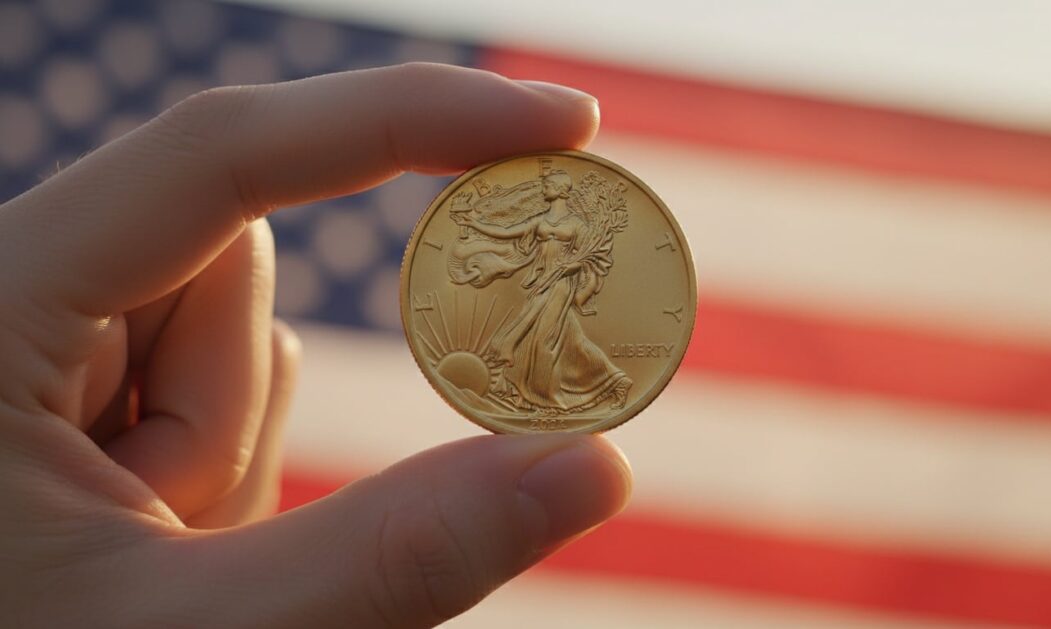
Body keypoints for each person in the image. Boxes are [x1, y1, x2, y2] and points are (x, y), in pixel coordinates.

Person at [0, 63, 632, 627]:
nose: (551, 193)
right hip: (536, 283)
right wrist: (488, 229)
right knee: (529, 339)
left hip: (557, 287)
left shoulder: (575, 224)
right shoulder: (545, 214)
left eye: (555, 193)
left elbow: (570, 251)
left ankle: (580, 380)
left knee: (549, 337)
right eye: (548, 190)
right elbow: (517, 226)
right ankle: (548, 378)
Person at [451, 170, 633, 414]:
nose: (543, 188)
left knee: (543, 340)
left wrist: (573, 265)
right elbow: (508, 232)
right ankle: (615, 382)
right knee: (566, 339)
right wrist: (475, 224)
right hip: (541, 281)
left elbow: (595, 256)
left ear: (560, 190)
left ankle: (546, 398)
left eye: (548, 185)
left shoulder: (578, 225)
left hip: (561, 284)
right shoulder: (541, 220)